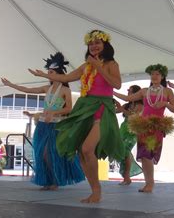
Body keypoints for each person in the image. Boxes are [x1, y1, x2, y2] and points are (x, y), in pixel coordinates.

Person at [29, 30, 125, 203]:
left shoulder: (111, 63)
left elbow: (116, 84)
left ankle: (97, 191)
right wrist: (44, 75)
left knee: (87, 149)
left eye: (98, 43)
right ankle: (94, 190)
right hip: (85, 107)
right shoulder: (85, 66)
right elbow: (66, 77)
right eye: (91, 43)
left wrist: (98, 67)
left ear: (105, 45)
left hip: (101, 108)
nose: (94, 46)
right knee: (81, 152)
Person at [1, 52, 84, 190]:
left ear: (58, 73)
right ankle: (47, 180)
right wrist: (11, 85)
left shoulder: (65, 90)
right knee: (41, 154)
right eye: (48, 72)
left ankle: (55, 180)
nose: (48, 74)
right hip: (43, 125)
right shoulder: (47, 88)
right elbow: (27, 90)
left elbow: (69, 108)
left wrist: (54, 112)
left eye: (51, 72)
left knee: (49, 154)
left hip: (57, 126)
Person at [114, 64, 174, 193]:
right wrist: (112, 91)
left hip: (157, 125)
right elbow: (127, 98)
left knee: (149, 154)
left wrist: (165, 103)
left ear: (162, 76)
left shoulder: (167, 91)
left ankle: (150, 183)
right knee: (143, 155)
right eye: (152, 74)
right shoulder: (144, 91)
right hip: (143, 126)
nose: (154, 76)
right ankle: (149, 183)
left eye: (157, 74)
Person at [114, 85, 143, 185]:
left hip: (133, 130)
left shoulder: (140, 106)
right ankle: (126, 177)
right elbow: (115, 111)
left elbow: (132, 116)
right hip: (123, 129)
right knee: (122, 151)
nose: (128, 93)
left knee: (126, 151)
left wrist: (120, 108)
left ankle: (126, 177)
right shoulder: (127, 105)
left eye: (130, 91)